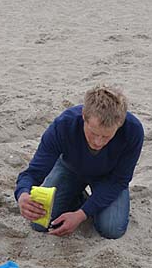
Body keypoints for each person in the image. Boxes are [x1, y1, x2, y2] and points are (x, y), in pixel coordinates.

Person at [15, 84, 144, 239]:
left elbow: (119, 180)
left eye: (106, 137)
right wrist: (22, 194)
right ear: (84, 116)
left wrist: (81, 214)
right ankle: (77, 196)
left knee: (111, 229)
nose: (98, 142)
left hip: (108, 178)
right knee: (39, 223)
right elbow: (34, 172)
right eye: (93, 133)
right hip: (71, 169)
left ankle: (87, 204)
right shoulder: (64, 125)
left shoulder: (133, 131)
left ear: (119, 124)